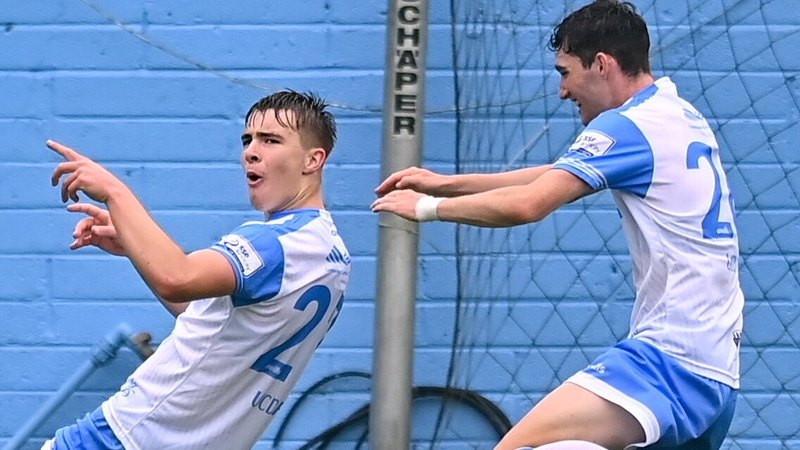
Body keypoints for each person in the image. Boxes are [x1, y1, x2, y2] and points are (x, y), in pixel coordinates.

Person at [371, 1, 743, 449]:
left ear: (602, 64)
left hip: (669, 363)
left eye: (565, 72)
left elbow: (530, 204)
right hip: (718, 371)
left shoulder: (628, 126)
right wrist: (447, 183)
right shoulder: (679, 115)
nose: (563, 91)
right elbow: (561, 173)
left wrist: (427, 208)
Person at [43, 90, 351, 450]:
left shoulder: (274, 242)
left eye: (271, 140)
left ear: (313, 160)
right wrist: (134, 248)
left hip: (122, 438)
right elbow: (213, 321)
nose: (251, 151)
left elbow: (177, 278)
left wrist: (115, 191)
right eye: (248, 139)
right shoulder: (332, 251)